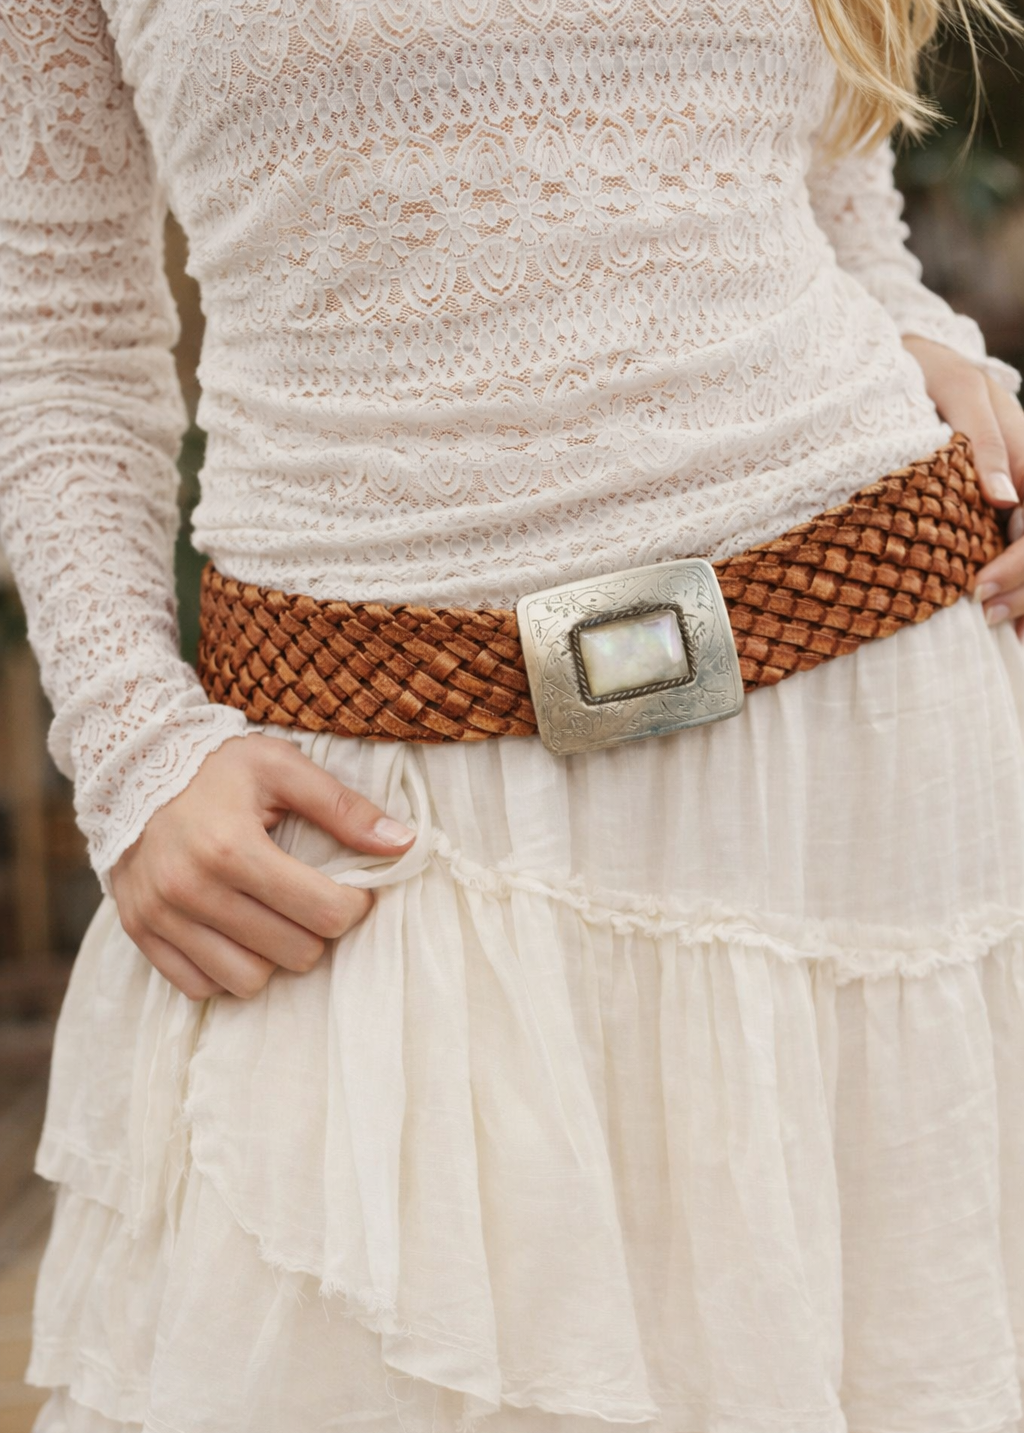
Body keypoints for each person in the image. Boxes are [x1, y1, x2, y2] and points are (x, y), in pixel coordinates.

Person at [2, 0, 1024, 1429]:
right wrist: (129, 743)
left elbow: (825, 194)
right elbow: (58, 334)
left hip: (863, 747)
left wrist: (946, 352)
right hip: (364, 802)